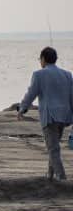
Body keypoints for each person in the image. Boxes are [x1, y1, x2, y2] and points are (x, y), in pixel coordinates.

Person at [17, 46, 73, 181]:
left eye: (40, 59)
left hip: (50, 117)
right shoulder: (67, 74)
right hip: (64, 116)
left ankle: (62, 179)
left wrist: (22, 109)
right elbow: (72, 96)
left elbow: (31, 93)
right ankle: (50, 176)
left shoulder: (39, 74)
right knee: (54, 147)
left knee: (53, 149)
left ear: (43, 59)